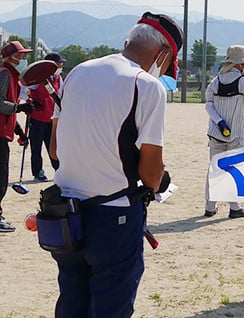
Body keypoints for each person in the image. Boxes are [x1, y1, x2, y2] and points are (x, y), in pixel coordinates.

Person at [49, 12, 183, 317]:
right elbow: (150, 174)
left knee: (71, 302)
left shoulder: (76, 72)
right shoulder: (147, 85)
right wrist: (159, 180)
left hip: (65, 213)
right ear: (162, 55)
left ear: (128, 40)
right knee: (111, 307)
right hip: (114, 217)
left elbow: (56, 149)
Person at [204, 44, 244, 218]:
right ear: (241, 65)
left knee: (215, 168)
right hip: (236, 132)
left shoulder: (215, 81)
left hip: (215, 132)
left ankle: (210, 207)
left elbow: (208, 105)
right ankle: (234, 207)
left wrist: (219, 122)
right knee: (235, 169)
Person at [0, 40, 35, 232]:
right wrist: (18, 108)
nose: (23, 57)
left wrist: (18, 129)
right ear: (11, 56)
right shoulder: (5, 73)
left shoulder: (12, 75)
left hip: (3, 132)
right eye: (20, 54)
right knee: (1, 177)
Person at [26, 52, 64, 182]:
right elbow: (23, 89)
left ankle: (58, 170)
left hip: (51, 118)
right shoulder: (38, 77)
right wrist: (30, 99)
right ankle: (38, 172)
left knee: (53, 146)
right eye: (59, 62)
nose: (61, 65)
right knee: (36, 147)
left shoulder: (58, 77)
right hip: (37, 119)